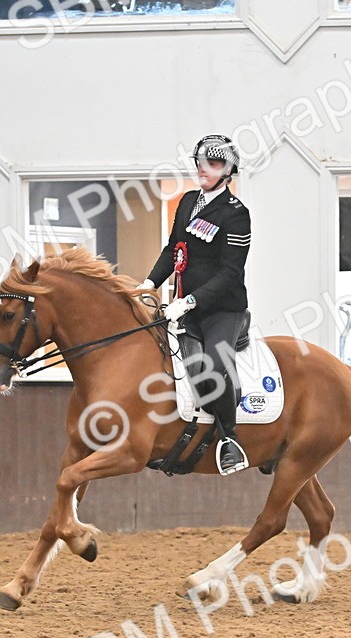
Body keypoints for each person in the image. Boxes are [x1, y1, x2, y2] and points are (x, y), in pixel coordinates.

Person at [138, 134, 252, 476]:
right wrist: (149, 284)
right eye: (201, 162)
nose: (204, 169)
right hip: (183, 306)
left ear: (228, 172)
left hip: (222, 309)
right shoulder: (187, 201)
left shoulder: (237, 215)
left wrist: (189, 301)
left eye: (213, 164)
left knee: (215, 365)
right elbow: (174, 249)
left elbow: (230, 273)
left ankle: (230, 439)